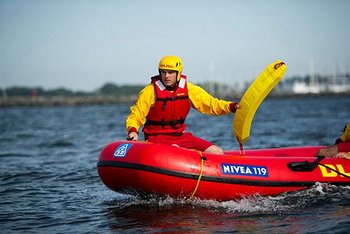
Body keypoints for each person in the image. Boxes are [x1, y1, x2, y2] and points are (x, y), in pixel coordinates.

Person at [125, 55, 240, 154]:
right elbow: (135, 115)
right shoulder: (149, 91)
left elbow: (211, 104)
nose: (166, 76)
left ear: (178, 74)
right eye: (163, 72)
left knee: (217, 151)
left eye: (170, 73)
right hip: (156, 138)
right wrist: (133, 131)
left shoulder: (189, 89)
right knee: (176, 150)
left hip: (180, 136)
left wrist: (232, 107)